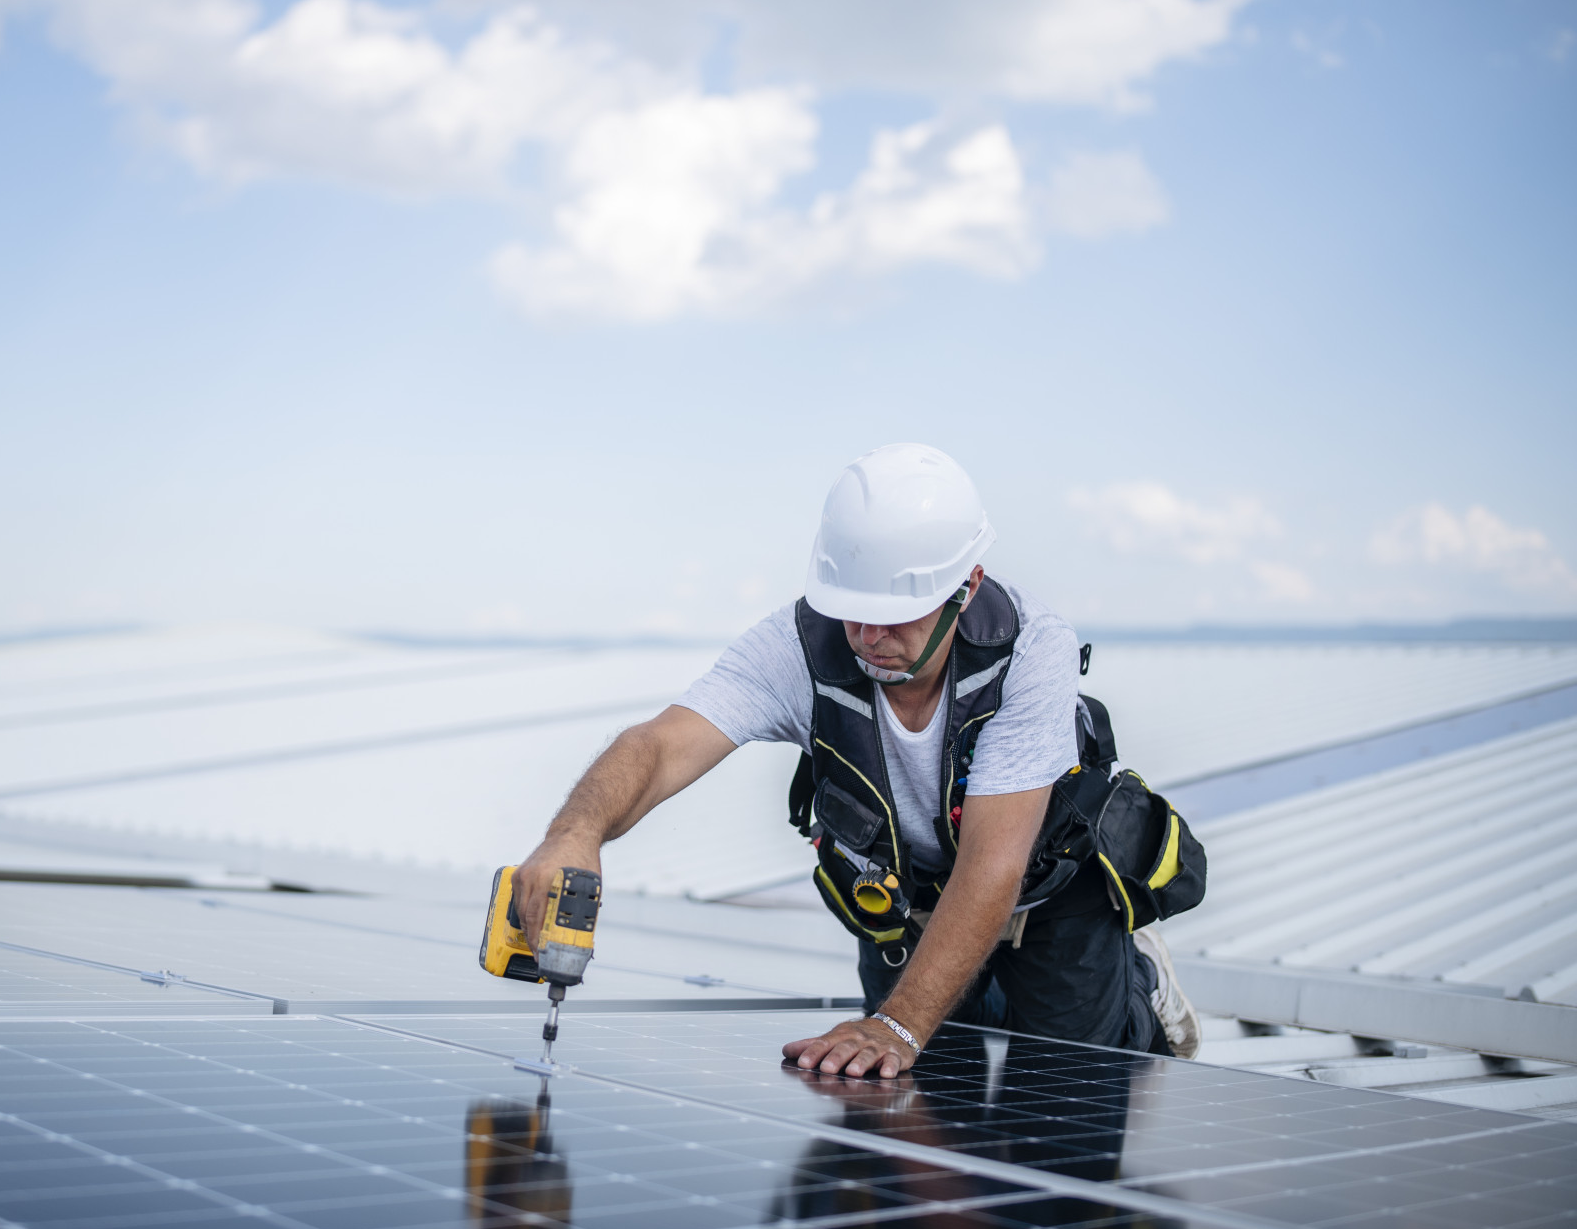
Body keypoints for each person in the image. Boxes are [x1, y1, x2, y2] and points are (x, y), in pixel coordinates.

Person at [514, 443, 1199, 1079]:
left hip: (1047, 891)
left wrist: (898, 1024)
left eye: (897, 614)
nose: (869, 636)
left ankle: (1139, 986)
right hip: (906, 897)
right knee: (920, 1090)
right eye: (852, 610)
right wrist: (575, 833)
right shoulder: (799, 646)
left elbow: (994, 865)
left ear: (966, 587)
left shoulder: (1029, 649)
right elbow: (661, 744)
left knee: (1069, 1072)